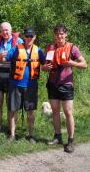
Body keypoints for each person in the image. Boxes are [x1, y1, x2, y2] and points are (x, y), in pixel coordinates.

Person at [43, 24, 87, 153]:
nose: (59, 36)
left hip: (66, 84)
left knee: (68, 112)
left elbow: (84, 64)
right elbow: (44, 66)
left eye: (62, 34)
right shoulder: (50, 48)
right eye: (57, 34)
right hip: (52, 83)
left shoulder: (72, 48)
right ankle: (57, 137)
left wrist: (72, 63)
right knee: (55, 111)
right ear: (54, 35)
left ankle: (71, 140)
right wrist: (45, 68)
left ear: (65, 34)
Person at [4, 28, 45, 143]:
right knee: (13, 110)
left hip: (31, 86)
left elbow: (44, 64)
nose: (29, 38)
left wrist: (47, 67)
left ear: (35, 37)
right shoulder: (16, 48)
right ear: (24, 37)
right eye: (27, 36)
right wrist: (2, 56)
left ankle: (31, 135)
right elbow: (4, 58)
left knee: (30, 111)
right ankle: (12, 135)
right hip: (15, 85)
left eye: (31, 36)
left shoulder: (39, 51)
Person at [0, 22, 23, 132]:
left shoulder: (19, 41)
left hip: (12, 77)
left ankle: (11, 129)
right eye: (2, 30)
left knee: (10, 104)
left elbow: (27, 52)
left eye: (7, 30)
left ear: (11, 30)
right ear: (0, 31)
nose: (5, 32)